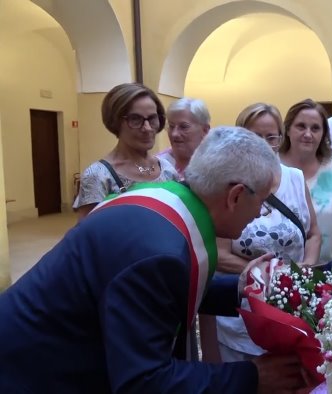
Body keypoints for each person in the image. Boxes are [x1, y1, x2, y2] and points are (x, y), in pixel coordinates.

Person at [0, 127, 307, 393]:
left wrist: (241, 289)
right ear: (235, 196)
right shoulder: (159, 255)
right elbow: (144, 381)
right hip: (30, 375)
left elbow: (164, 293)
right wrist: (253, 376)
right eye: (263, 201)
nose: (261, 213)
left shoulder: (166, 201)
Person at [210, 103, 322, 363]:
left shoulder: (294, 179)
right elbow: (220, 254)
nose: (263, 144)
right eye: (254, 137)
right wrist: (266, 275)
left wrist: (306, 266)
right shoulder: (227, 184)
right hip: (243, 313)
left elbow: (314, 233)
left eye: (270, 137)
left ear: (280, 139)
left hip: (293, 306)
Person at [73, 83, 178, 220]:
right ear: (115, 122)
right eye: (135, 119)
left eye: (152, 118)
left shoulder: (167, 169)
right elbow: (89, 236)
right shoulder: (99, 176)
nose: (147, 128)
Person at [280, 99, 332, 266]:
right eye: (301, 126)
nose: (308, 134)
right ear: (287, 130)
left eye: (315, 128)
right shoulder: (271, 170)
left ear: (323, 134)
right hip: (277, 275)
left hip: (329, 272)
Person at [159, 97, 211, 178]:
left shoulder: (216, 166)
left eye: (183, 127)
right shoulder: (158, 164)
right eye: (171, 126)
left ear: (205, 130)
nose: (174, 134)